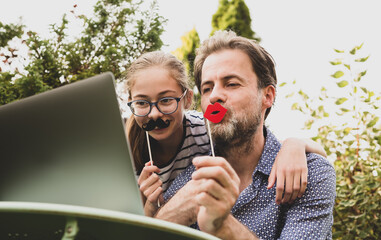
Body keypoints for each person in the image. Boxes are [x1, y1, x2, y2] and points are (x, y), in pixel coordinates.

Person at [155, 31, 336, 239]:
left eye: (231, 84)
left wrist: (223, 227)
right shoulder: (188, 180)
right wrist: (172, 214)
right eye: (207, 88)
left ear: (267, 96)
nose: (214, 96)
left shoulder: (311, 173)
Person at [124, 51, 327, 217]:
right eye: (142, 103)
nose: (154, 113)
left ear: (187, 100)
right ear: (131, 102)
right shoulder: (124, 153)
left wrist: (294, 145)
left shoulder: (206, 128)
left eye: (166, 100)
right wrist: (149, 206)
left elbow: (259, 140)